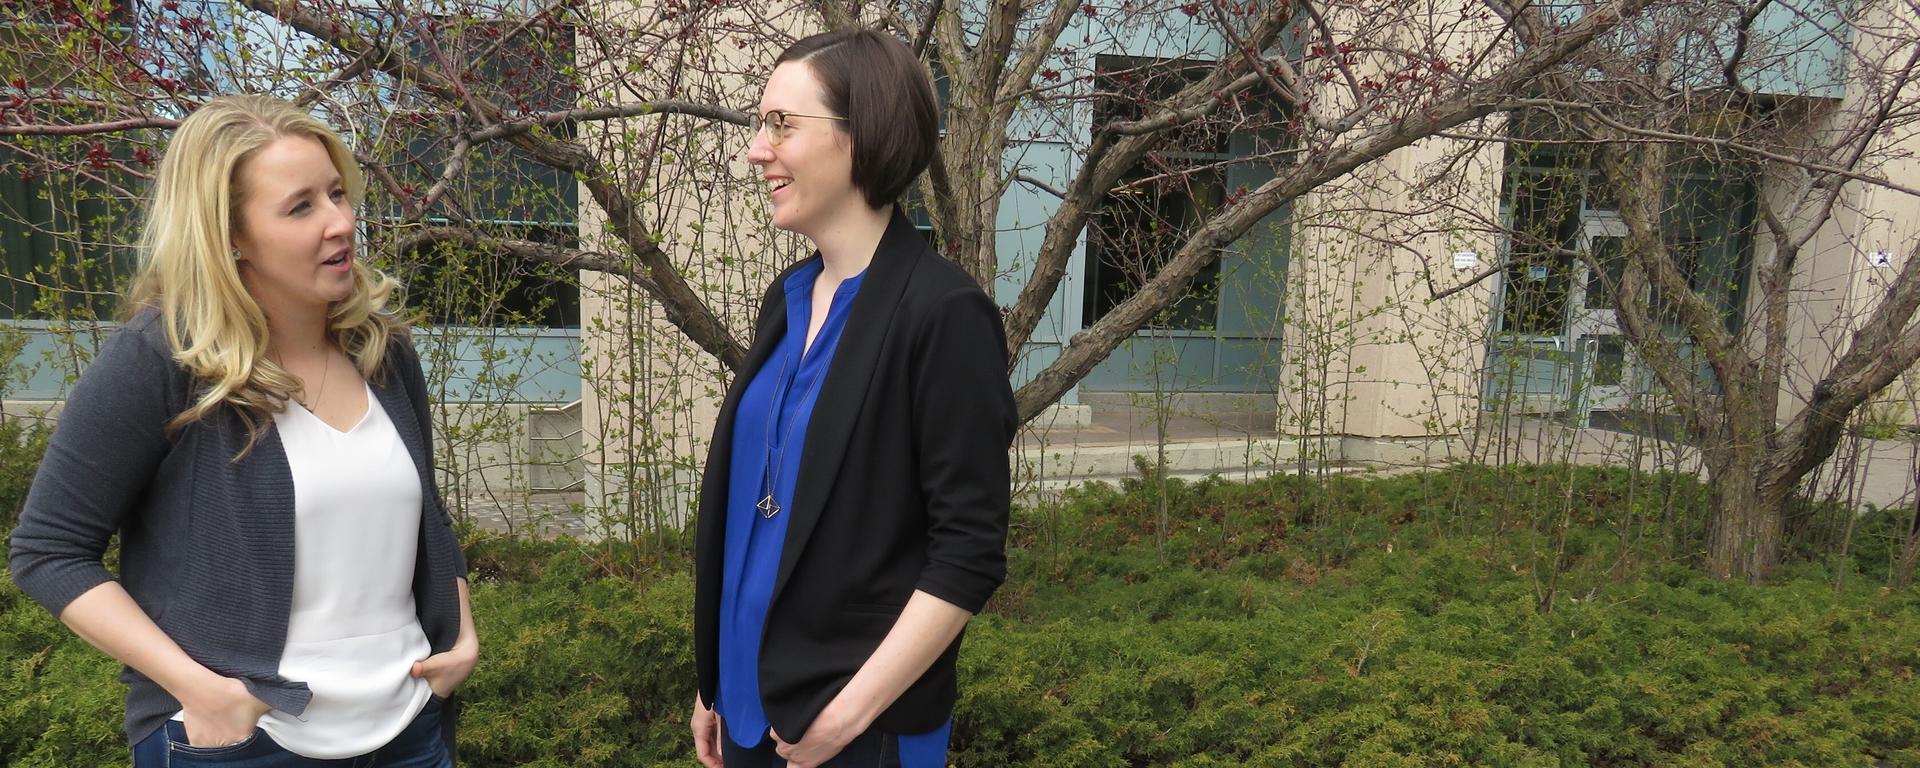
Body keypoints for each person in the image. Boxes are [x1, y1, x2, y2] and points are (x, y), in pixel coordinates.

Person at [7, 94, 477, 766]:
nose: (341, 223)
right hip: (242, 742)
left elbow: (427, 513)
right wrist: (197, 689)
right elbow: (48, 550)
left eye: (338, 194)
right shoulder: (163, 361)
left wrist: (461, 633)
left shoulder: (383, 352)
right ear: (228, 234)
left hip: (407, 733)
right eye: (301, 207)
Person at [688, 29, 1018, 768]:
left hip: (859, 731)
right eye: (759, 123)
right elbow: (758, 506)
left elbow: (967, 552)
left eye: (782, 124)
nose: (756, 148)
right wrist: (713, 679)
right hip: (748, 712)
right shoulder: (788, 298)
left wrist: (849, 716)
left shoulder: (944, 315)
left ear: (860, 136)